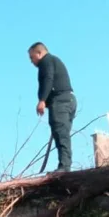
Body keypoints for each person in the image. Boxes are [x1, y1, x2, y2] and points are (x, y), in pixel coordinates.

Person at [28, 42, 77, 173]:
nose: (31, 61)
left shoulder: (46, 61)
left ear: (39, 53)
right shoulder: (53, 61)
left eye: (32, 57)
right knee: (62, 133)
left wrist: (42, 100)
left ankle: (64, 167)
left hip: (61, 101)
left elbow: (48, 79)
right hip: (69, 100)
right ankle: (65, 165)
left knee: (61, 134)